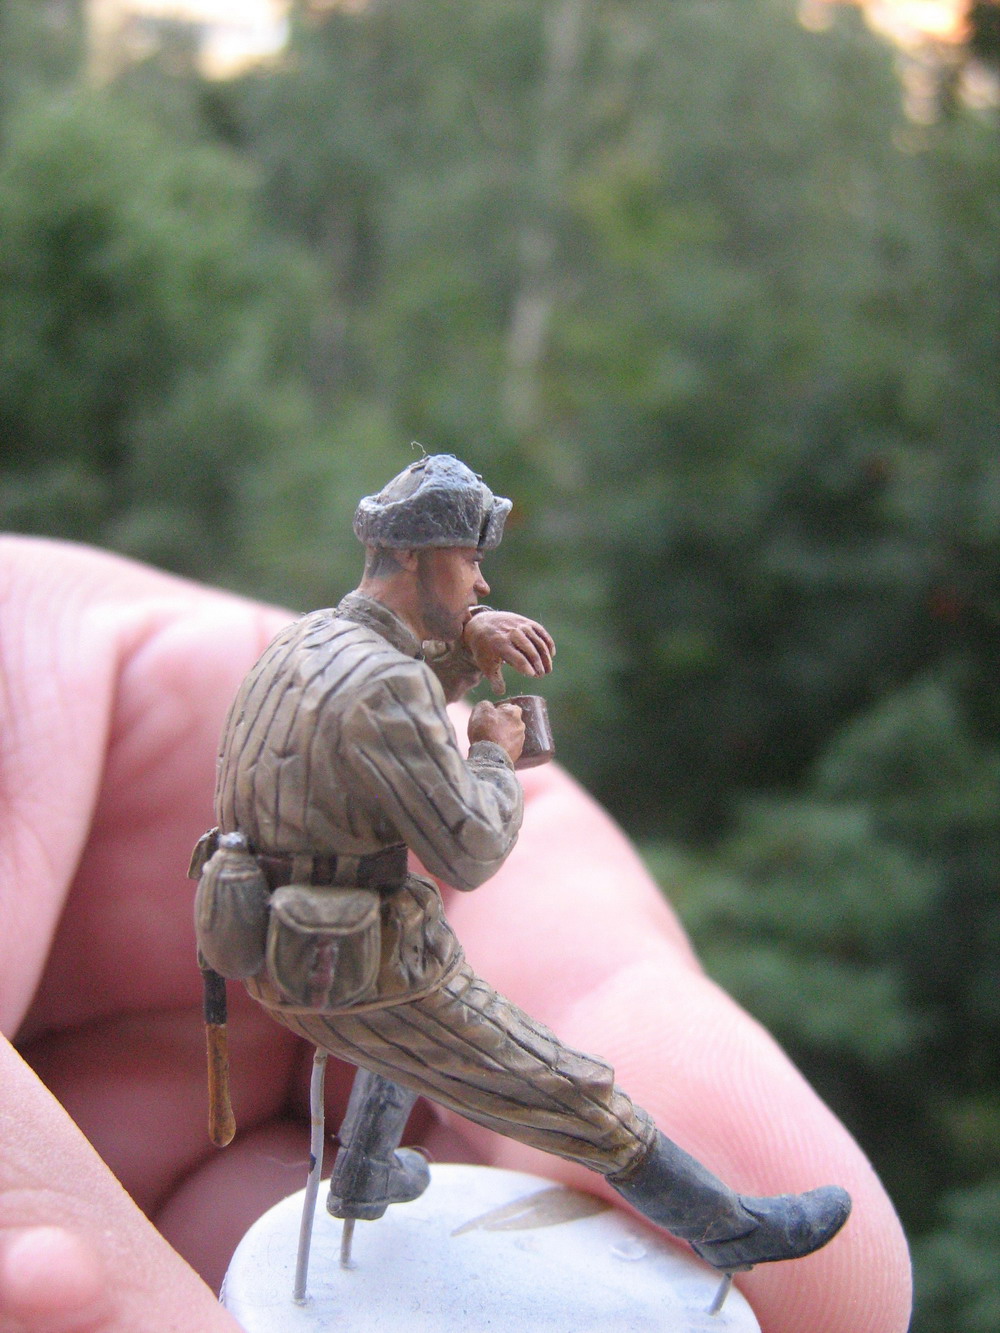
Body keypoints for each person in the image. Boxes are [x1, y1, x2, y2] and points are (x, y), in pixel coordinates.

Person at [0, 528, 911, 1333]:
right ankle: (727, 1227)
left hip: (283, 941)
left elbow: (376, 712)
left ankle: (363, 1174)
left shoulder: (309, 640)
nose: (482, 582)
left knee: (414, 1040)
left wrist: (466, 648)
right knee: (565, 1085)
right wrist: (492, 752)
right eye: (470, 563)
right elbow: (470, 847)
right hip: (359, 963)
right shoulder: (385, 683)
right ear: (418, 559)